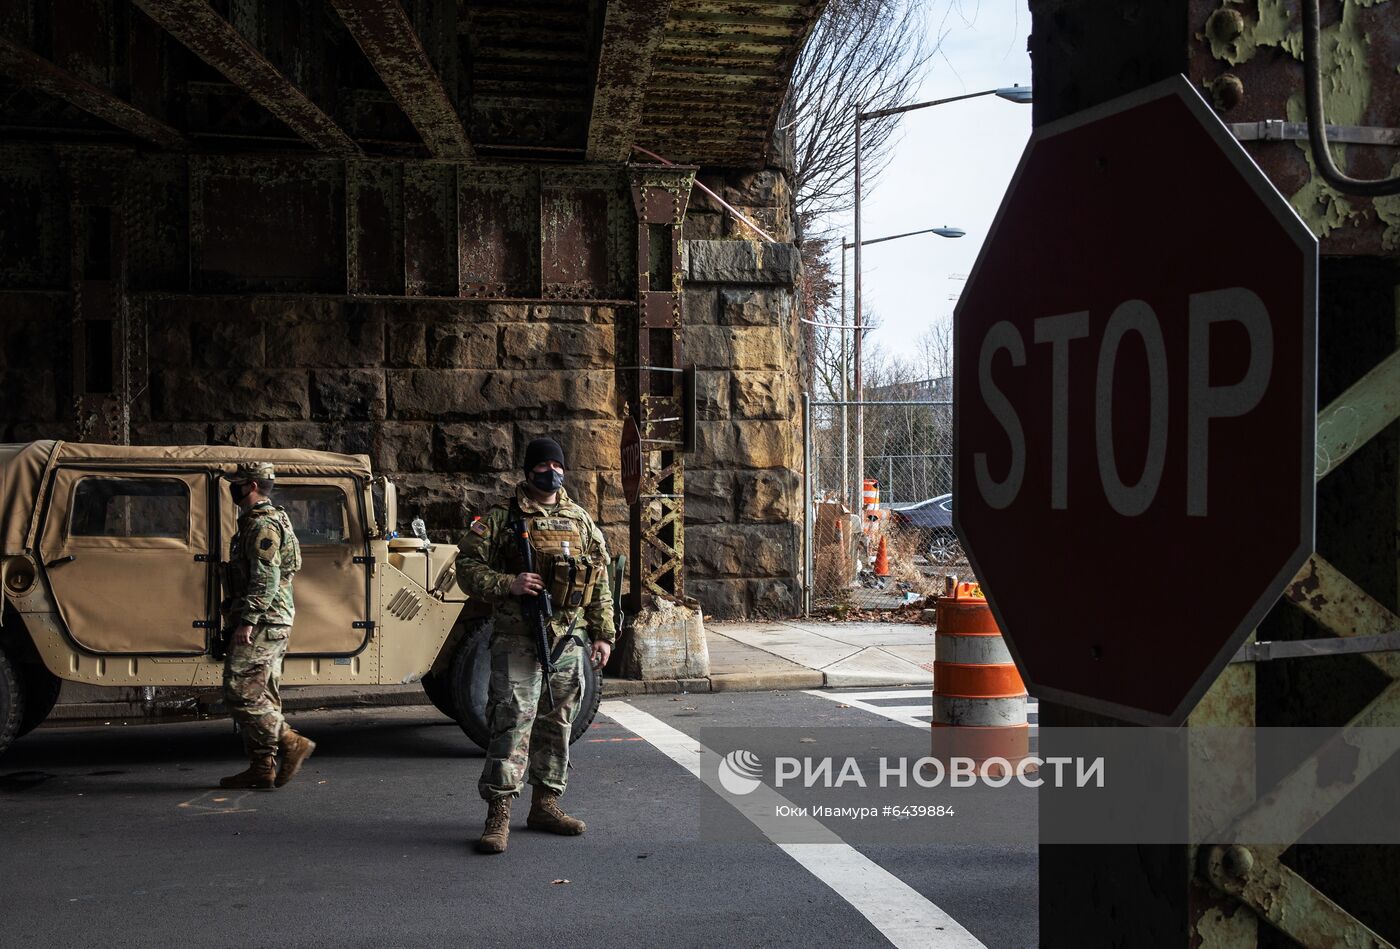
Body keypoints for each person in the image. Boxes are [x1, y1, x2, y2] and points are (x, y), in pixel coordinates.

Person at [456, 437, 615, 855]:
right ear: (528, 472)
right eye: (543, 465)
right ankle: (499, 814)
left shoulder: (579, 520)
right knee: (510, 724)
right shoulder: (501, 519)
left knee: (557, 725)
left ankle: (545, 804)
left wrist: (603, 635)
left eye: (557, 464)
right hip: (518, 640)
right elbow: (466, 567)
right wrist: (508, 583)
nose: (552, 471)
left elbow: (599, 582)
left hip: (565, 641)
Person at [217, 461, 315, 791]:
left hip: (264, 621)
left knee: (239, 690)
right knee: (262, 693)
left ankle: (290, 741)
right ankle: (262, 767)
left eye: (238, 483)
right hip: (269, 619)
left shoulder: (263, 527)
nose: (234, 488)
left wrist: (247, 620)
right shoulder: (260, 521)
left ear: (252, 487)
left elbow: (266, 578)